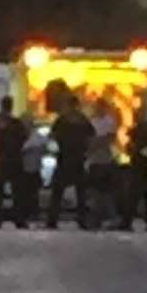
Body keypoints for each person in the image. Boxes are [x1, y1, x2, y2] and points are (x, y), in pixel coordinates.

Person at [46, 94, 94, 230]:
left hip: (64, 158)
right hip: (78, 158)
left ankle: (52, 220)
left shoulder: (62, 119)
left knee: (57, 192)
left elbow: (52, 135)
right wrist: (86, 150)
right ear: (77, 105)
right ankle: (82, 220)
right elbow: (91, 136)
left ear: (68, 105)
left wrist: (58, 146)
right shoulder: (83, 120)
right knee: (81, 193)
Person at [0, 97, 28, 229]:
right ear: (11, 106)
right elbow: (24, 137)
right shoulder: (16, 123)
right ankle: (19, 219)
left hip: (0, 159)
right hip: (14, 160)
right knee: (18, 192)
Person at [86, 97, 120, 231]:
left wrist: (98, 142)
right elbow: (88, 140)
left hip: (105, 160)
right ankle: (97, 219)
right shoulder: (92, 122)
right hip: (94, 161)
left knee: (105, 192)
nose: (98, 108)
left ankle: (112, 217)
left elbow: (110, 138)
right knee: (95, 192)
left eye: (100, 106)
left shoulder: (109, 121)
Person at [124, 109, 147, 231]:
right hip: (139, 164)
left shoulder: (145, 128)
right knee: (141, 195)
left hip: (142, 164)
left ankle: (129, 222)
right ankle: (144, 222)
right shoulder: (138, 128)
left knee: (137, 194)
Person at [19, 122, 47, 229]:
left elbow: (43, 145)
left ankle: (32, 215)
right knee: (27, 194)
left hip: (33, 168)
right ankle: (28, 215)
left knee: (33, 194)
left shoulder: (36, 136)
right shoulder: (23, 135)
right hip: (25, 169)